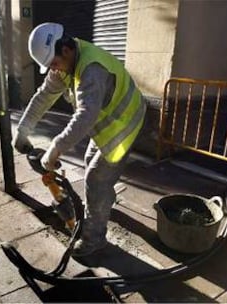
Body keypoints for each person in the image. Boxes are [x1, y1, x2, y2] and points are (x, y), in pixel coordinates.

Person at [13, 22, 146, 257]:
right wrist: (23, 130)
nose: (54, 70)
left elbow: (86, 116)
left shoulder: (91, 69)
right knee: (91, 166)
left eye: (54, 63)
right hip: (108, 121)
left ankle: (94, 239)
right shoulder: (65, 64)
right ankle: (104, 201)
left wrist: (55, 148)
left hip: (124, 123)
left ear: (65, 50)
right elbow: (43, 97)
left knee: (95, 180)